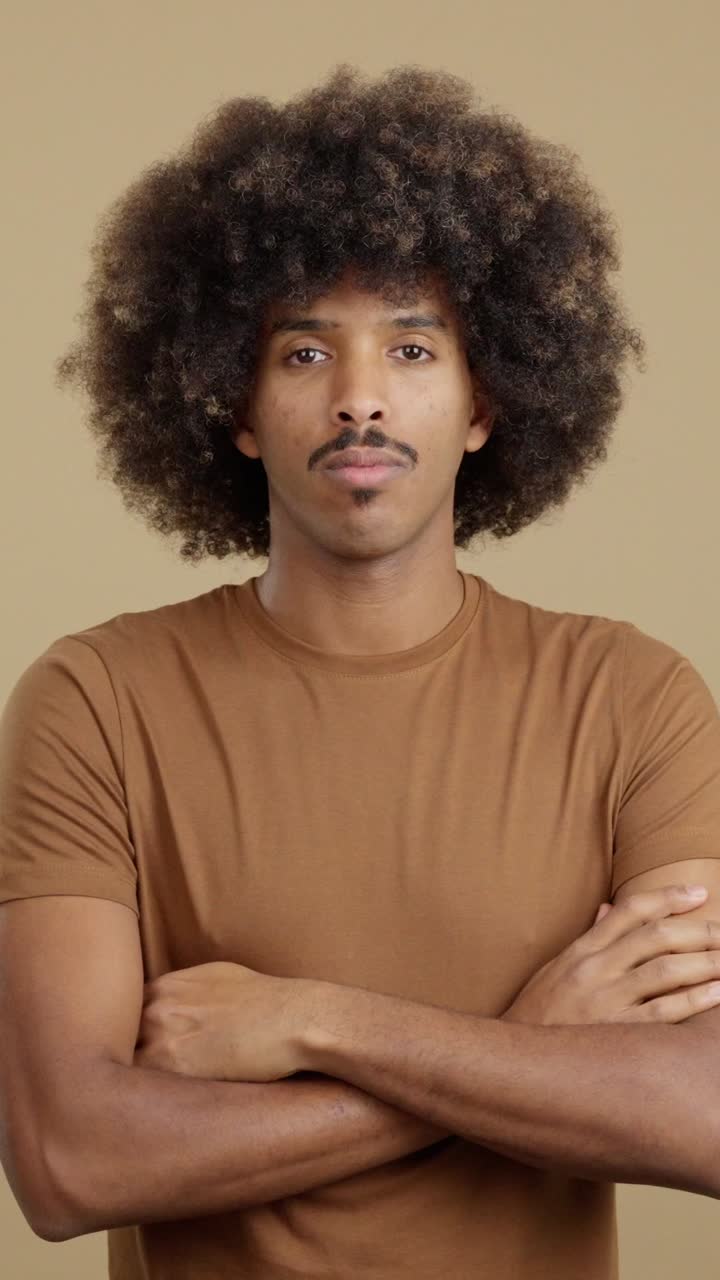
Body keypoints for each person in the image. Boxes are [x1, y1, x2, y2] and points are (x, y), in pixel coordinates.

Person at [2, 61, 720, 1280]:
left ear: (486, 401)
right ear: (230, 403)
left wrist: (313, 1022)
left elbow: (704, 1112)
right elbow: (71, 1159)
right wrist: (527, 1049)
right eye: (301, 355)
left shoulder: (632, 698)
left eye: (412, 348)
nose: (361, 400)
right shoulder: (96, 700)